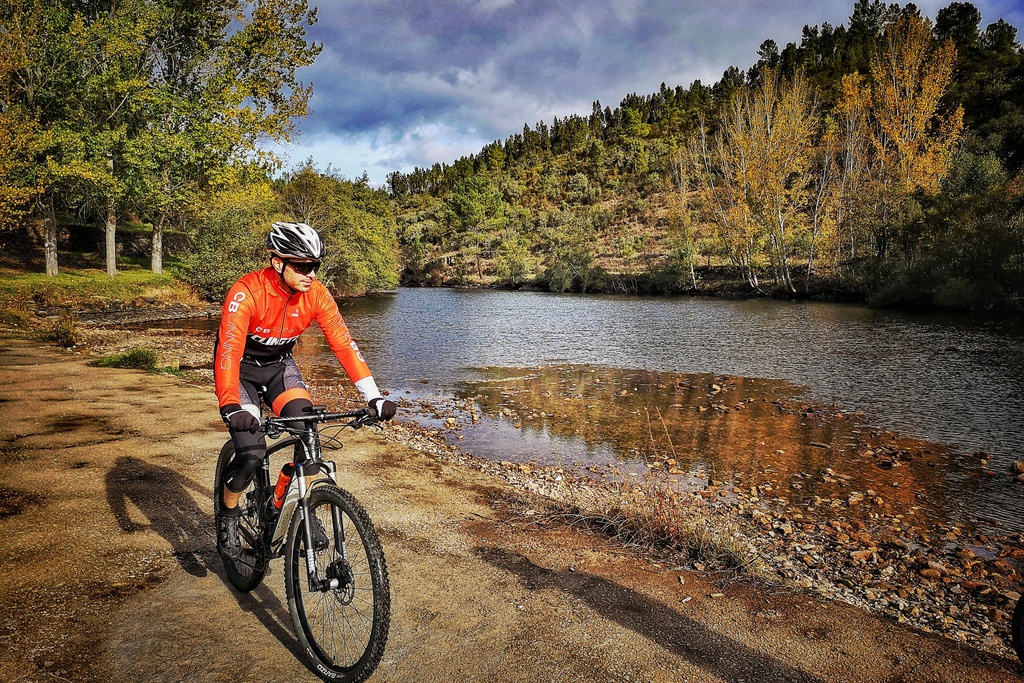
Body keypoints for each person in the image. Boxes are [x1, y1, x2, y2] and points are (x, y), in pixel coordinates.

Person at [213, 221, 397, 559]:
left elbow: (344, 344)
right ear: (277, 262)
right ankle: (228, 515)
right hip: (240, 371)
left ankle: (299, 502)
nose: (310, 273)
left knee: (308, 432)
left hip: (279, 368)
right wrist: (231, 406)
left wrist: (373, 395)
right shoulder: (247, 292)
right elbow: (227, 351)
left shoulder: (317, 295)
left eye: (315, 266)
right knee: (252, 454)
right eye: (302, 266)